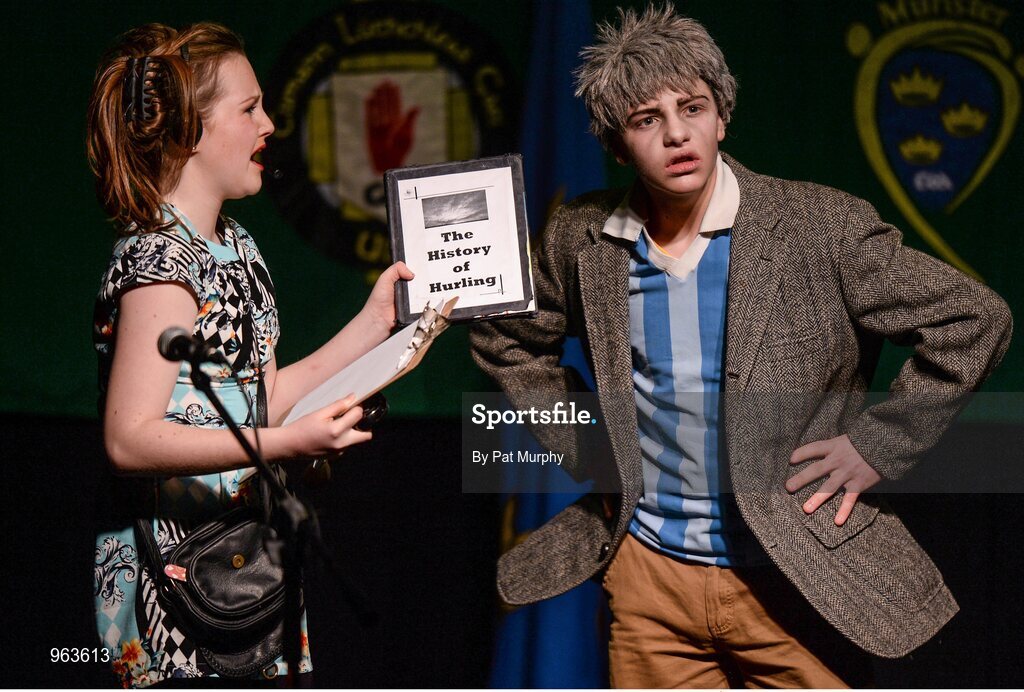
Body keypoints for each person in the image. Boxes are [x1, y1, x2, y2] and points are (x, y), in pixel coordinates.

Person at [470, 3, 1012, 687]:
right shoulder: (582, 239)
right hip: (651, 583)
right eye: (646, 120)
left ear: (721, 116)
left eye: (692, 108)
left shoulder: (820, 226)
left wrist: (878, 444)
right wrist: (590, 445)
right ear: (616, 145)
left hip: (796, 580)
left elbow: (974, 319)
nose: (676, 134)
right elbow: (506, 340)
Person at [87, 22, 412, 687]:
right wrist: (281, 444)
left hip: (247, 573)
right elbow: (129, 438)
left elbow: (262, 399)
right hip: (174, 594)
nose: (270, 123)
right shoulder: (160, 263)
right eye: (249, 108)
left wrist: (375, 324)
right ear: (190, 131)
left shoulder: (238, 248)